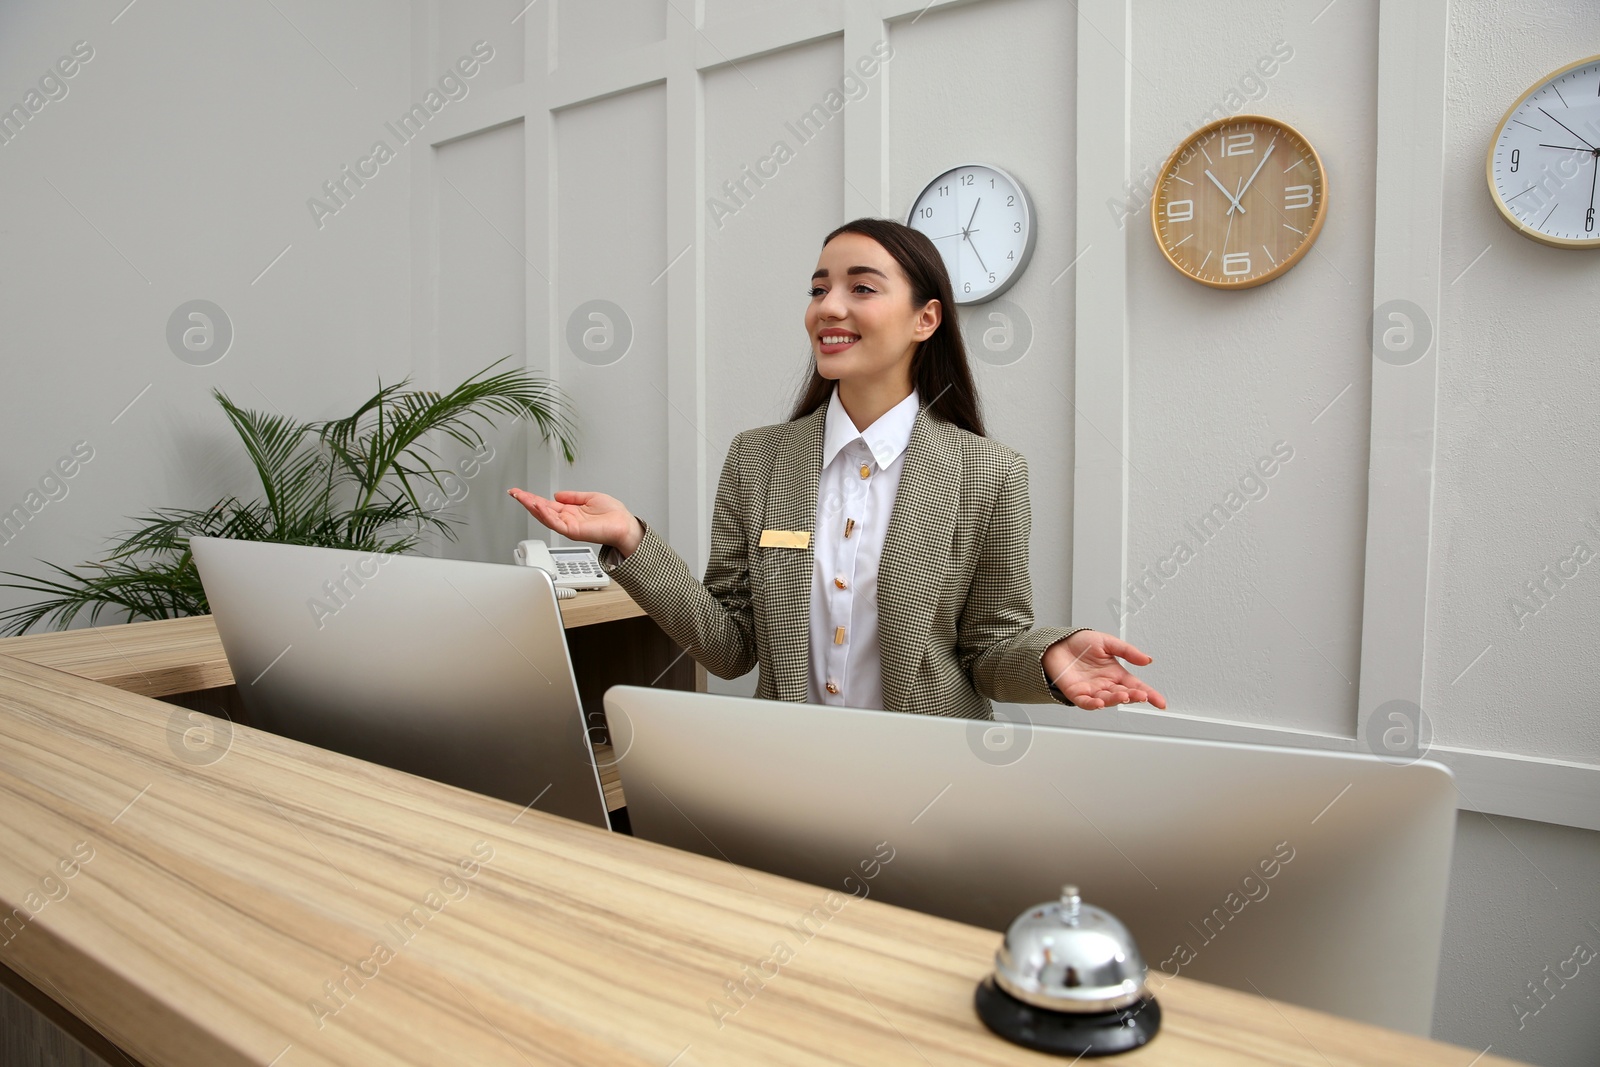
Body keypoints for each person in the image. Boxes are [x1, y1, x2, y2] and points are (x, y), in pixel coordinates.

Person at [509, 217, 1165, 719]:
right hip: (787, 775)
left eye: (861, 288)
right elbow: (731, 646)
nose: (828, 306)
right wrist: (632, 541)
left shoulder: (990, 473)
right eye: (820, 288)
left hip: (929, 787)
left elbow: (991, 649)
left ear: (925, 318)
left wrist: (1048, 658)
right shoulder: (756, 458)